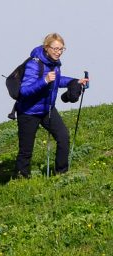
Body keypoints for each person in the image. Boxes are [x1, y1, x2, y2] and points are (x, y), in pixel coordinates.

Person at [14, 33, 89, 178]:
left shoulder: (54, 64)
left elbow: (57, 80)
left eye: (61, 49)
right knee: (26, 149)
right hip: (28, 111)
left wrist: (75, 81)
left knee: (63, 137)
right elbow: (24, 91)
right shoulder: (33, 64)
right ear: (46, 48)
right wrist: (44, 80)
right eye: (55, 49)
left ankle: (61, 173)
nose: (58, 52)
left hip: (47, 109)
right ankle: (20, 179)